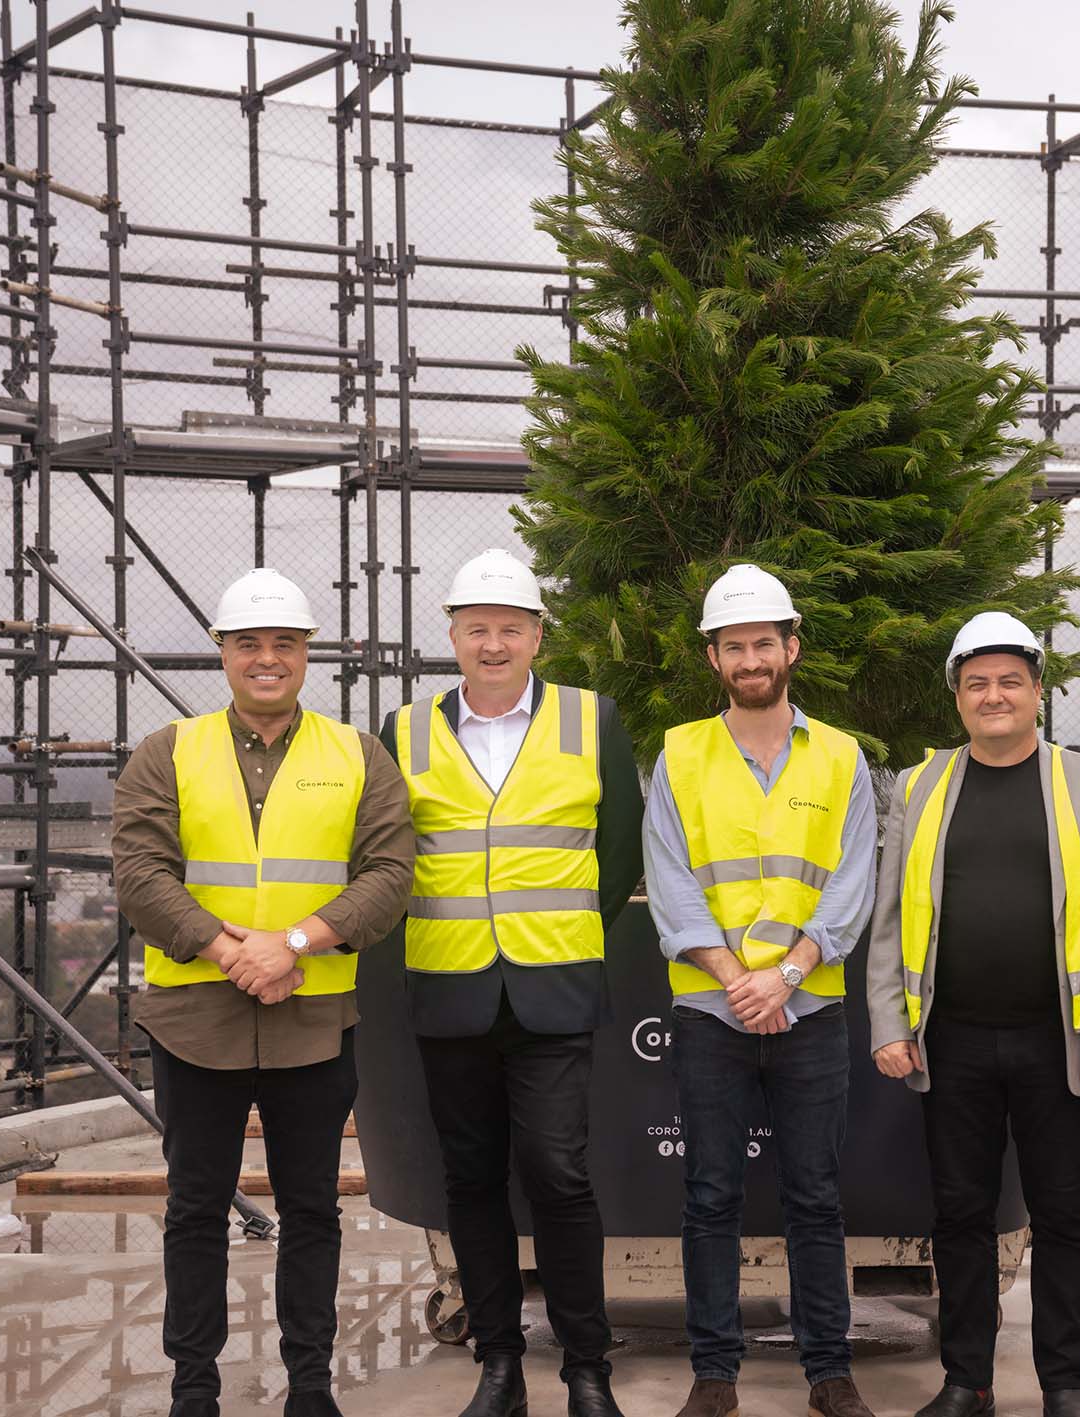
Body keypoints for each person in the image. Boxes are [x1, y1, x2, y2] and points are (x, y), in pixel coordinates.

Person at [112, 568, 412, 1417]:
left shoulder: (357, 754)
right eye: (250, 643)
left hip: (314, 1015)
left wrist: (293, 946)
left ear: (307, 653)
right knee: (195, 1207)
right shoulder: (167, 751)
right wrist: (224, 946)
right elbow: (140, 871)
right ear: (224, 653)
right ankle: (194, 1389)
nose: (268, 658)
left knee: (313, 1205)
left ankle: (310, 1386)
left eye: (284, 643)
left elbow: (390, 872)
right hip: (192, 1017)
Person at [379, 548, 644, 1417]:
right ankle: (500, 1364)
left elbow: (617, 850)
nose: (494, 644)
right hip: (450, 987)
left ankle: (586, 1366)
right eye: (477, 628)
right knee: (470, 1179)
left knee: (559, 1172)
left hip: (554, 985)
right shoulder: (405, 728)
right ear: (452, 635)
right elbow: (389, 851)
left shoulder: (590, 720)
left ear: (537, 636)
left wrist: (561, 932)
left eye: (511, 628)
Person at [867, 610, 1080, 1417]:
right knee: (959, 1216)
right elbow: (890, 915)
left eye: (1010, 681)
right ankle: (968, 1383)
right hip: (949, 1042)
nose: (995, 696)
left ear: (1037, 692)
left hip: (1058, 1045)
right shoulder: (919, 788)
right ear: (957, 696)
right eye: (978, 682)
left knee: (1061, 1216)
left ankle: (1065, 1385)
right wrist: (890, 1021)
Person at [641, 564, 879, 1417]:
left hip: (808, 1005)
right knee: (711, 1194)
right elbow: (670, 881)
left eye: (763, 643)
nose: (751, 657)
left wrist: (783, 975)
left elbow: (853, 882)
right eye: (734, 645)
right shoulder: (678, 754)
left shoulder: (844, 756)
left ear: (791, 648)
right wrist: (738, 979)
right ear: (714, 658)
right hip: (714, 1008)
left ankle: (829, 1371)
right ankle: (716, 1374)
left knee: (815, 1192)